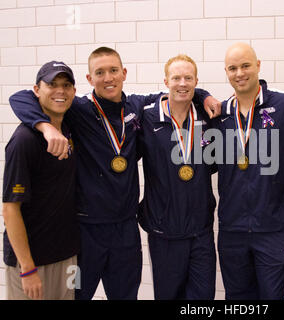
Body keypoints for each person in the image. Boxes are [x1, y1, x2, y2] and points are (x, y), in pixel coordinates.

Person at [8, 47, 219, 300]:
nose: (108, 77)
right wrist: (45, 128)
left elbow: (180, 92)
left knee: (125, 296)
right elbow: (21, 98)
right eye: (100, 72)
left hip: (126, 232)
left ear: (124, 73)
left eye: (113, 71)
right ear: (89, 79)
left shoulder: (138, 104)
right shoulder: (78, 108)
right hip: (85, 233)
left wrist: (204, 95)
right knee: (77, 294)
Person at [212, 42, 284, 299]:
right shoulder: (220, 115)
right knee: (237, 299)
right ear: (226, 72)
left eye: (245, 65)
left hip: (274, 229)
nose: (239, 73)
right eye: (232, 68)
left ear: (258, 66)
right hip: (232, 228)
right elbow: (201, 165)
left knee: (272, 297)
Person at [137, 54, 217, 299]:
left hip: (201, 231)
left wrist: (204, 95)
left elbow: (212, 165)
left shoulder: (208, 116)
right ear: (165, 81)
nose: (182, 83)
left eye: (188, 78)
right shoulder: (146, 117)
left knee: (202, 300)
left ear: (196, 81)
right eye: (176, 78)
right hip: (164, 232)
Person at [3, 61, 80, 300]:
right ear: (36, 90)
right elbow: (10, 209)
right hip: (32, 263)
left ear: (74, 92)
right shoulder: (24, 140)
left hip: (67, 257)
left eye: (66, 85)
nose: (60, 91)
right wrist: (27, 269)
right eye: (52, 85)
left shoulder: (69, 127)